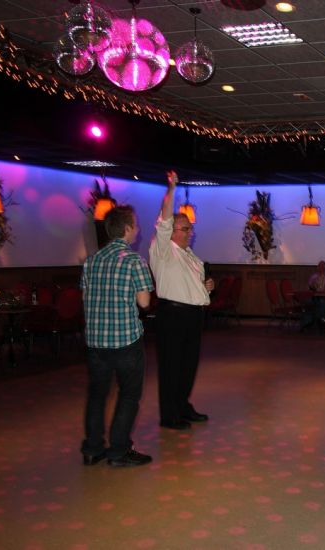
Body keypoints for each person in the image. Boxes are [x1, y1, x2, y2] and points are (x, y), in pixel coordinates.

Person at [80, 205, 154, 467]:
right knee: (128, 394)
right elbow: (144, 302)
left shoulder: (91, 261)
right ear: (127, 229)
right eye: (136, 224)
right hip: (125, 341)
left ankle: (92, 449)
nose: (139, 229)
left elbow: (85, 298)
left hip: (95, 341)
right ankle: (118, 450)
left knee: (97, 394)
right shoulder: (134, 261)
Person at [149, 170, 215, 430]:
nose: (191, 232)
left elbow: (193, 284)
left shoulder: (189, 255)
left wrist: (206, 287)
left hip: (192, 315)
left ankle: (182, 406)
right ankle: (169, 416)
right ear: (172, 231)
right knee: (171, 367)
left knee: (188, 366)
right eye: (186, 229)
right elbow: (164, 219)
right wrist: (171, 189)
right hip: (173, 315)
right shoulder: (163, 250)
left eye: (190, 228)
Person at [299, 260, 325, 331]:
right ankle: (306, 323)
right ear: (317, 268)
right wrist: (312, 286)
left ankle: (322, 322)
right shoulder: (314, 276)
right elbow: (309, 287)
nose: (321, 268)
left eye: (323, 266)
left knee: (322, 302)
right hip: (315, 296)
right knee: (307, 302)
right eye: (320, 266)